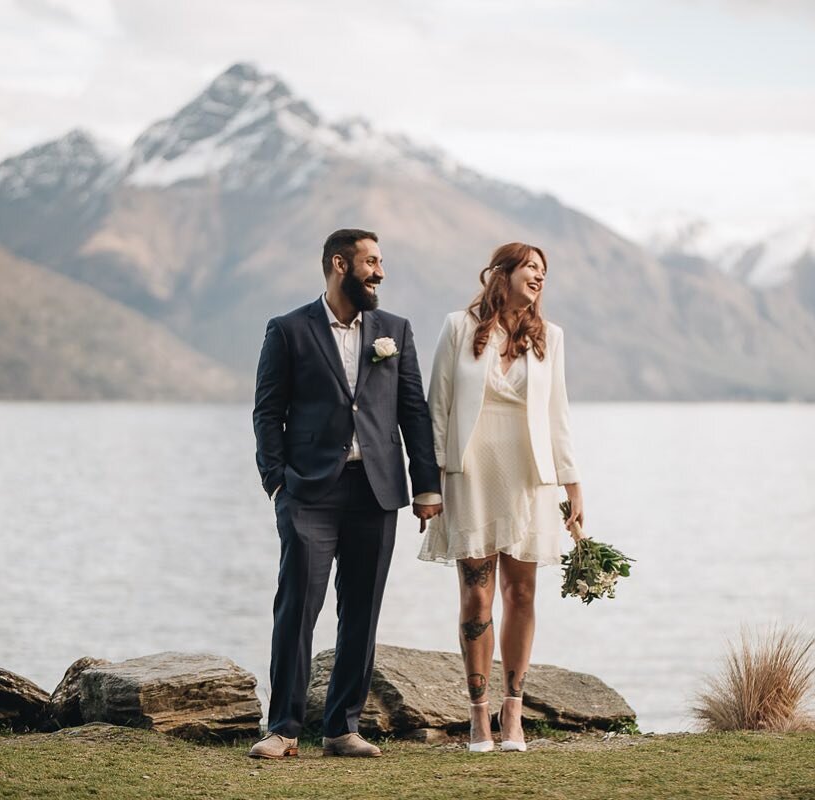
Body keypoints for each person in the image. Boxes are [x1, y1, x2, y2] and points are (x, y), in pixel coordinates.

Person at [250, 229, 442, 759]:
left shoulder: (394, 330)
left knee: (361, 610)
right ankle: (284, 728)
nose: (380, 272)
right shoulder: (288, 329)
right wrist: (276, 481)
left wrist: (425, 484)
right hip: (308, 491)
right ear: (340, 264)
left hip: (375, 490)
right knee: (298, 606)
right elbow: (268, 411)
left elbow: (413, 413)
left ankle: (341, 728)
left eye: (380, 262)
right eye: (371, 262)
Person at [418, 242, 583, 753]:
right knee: (477, 595)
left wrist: (572, 482)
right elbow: (437, 407)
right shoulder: (458, 327)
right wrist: (431, 481)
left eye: (543, 270)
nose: (539, 276)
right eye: (530, 267)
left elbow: (558, 414)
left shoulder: (549, 338)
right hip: (471, 474)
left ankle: (513, 713)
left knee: (523, 593)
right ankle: (477, 717)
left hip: (528, 478)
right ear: (502, 274)